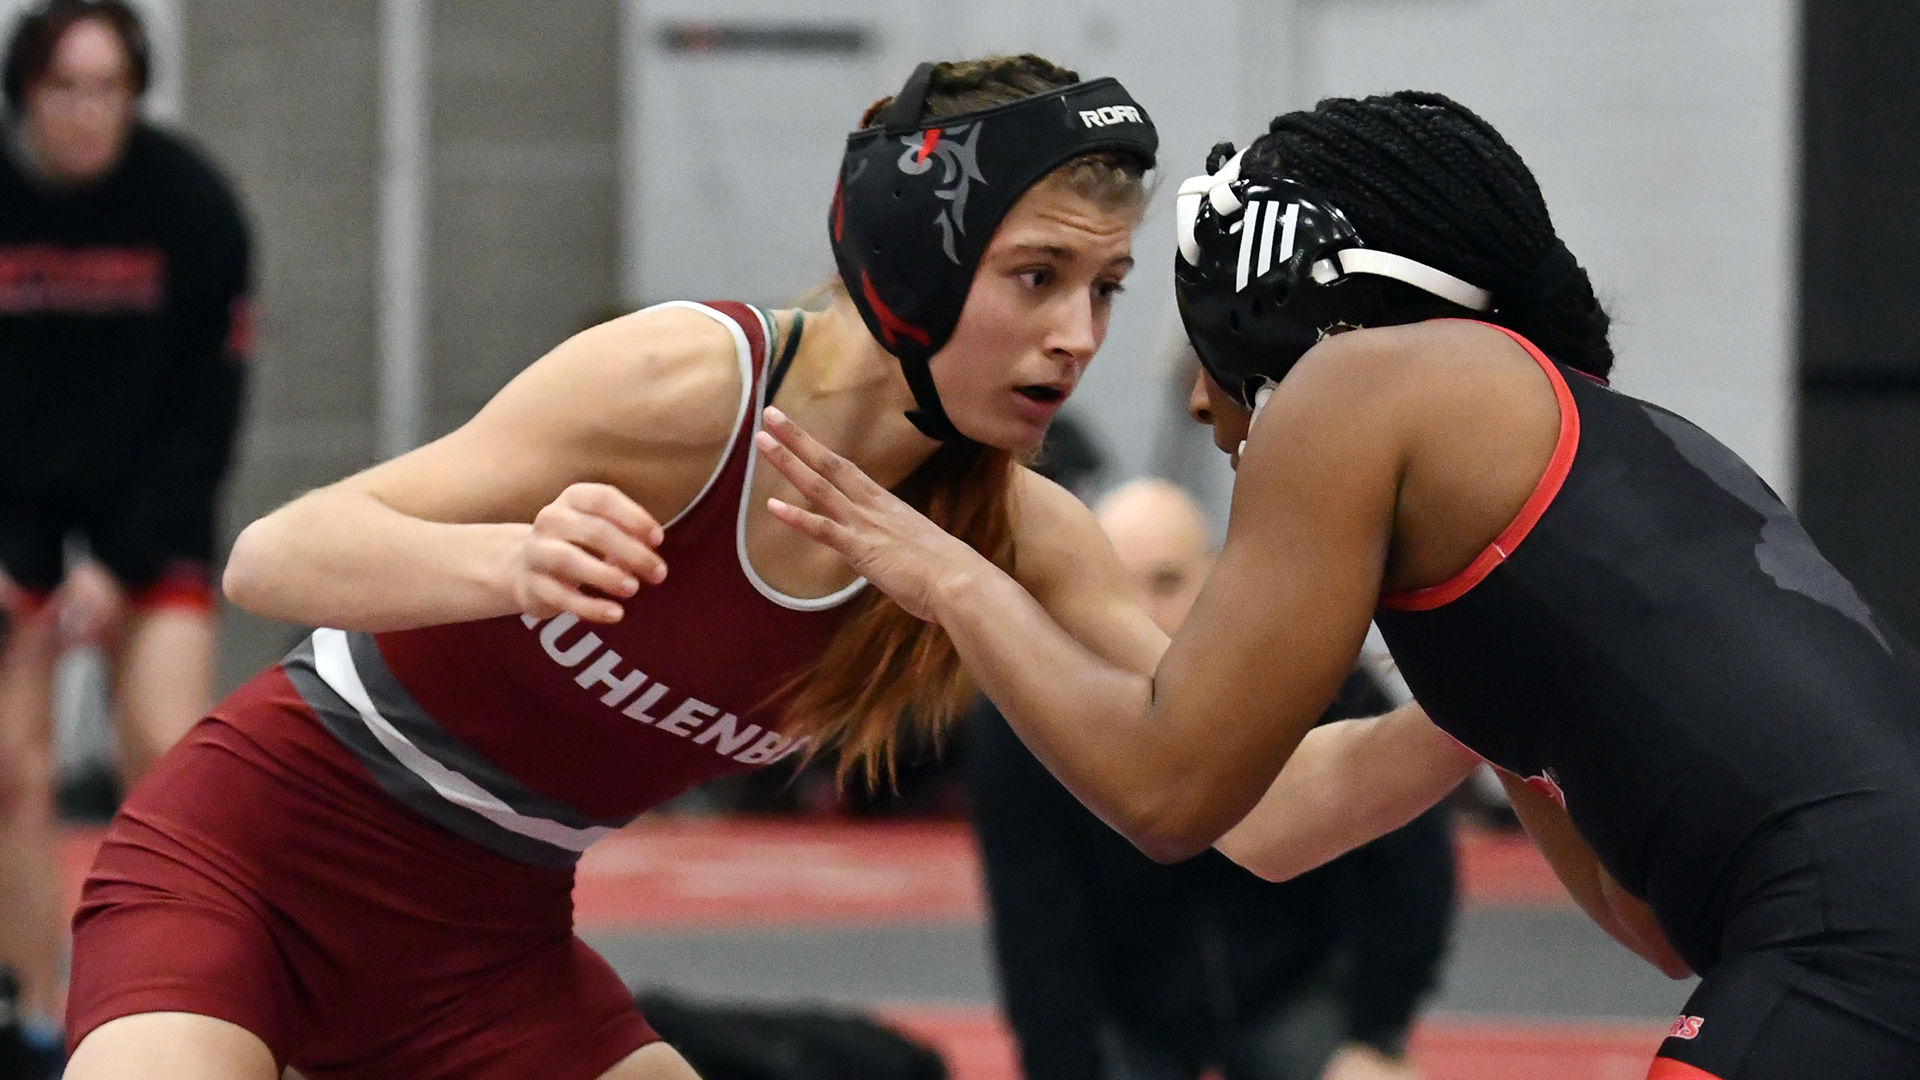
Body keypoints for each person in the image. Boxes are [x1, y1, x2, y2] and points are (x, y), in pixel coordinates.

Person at [755, 91, 1920, 1080]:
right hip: (1848, 930)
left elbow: (1170, 794)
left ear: (1266, 307)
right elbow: (1649, 923)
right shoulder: (1574, 462)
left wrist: (958, 583)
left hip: (1850, 940)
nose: (1205, 410)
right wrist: (1504, 716)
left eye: (1201, 360)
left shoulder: (1359, 387)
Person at [61, 54, 1165, 1080]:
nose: (1078, 335)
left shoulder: (1022, 533)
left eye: (1107, 287)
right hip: (247, 873)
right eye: (1037, 276)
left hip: (486, 956)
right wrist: (509, 560)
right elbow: (272, 558)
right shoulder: (690, 382)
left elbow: (1238, 787)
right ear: (919, 262)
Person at [969, 477, 1451, 1080]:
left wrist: (1377, 1034)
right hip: (1129, 1008)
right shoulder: (1024, 722)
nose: (1140, 612)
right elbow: (1035, 926)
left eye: (1166, 581)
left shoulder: (1310, 674)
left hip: (1293, 988)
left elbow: (1411, 861)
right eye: (1114, 588)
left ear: (1213, 577)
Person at [0, 0, 249, 1070]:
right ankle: (37, 1013)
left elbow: (207, 415)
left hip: (146, 519)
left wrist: (123, 559)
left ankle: (169, 1007)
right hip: (16, 520)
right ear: (26, 96)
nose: (87, 111)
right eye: (66, 89)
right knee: (10, 764)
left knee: (167, 753)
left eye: (109, 88)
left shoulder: (192, 208)